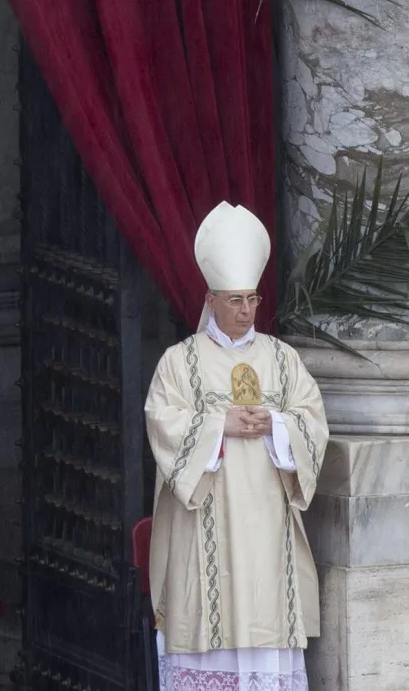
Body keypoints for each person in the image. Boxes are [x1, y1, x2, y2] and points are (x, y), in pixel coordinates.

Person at [145, 203, 328, 691]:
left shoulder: (282, 359)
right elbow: (161, 424)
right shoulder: (178, 363)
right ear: (211, 299)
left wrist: (279, 425)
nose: (246, 310)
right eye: (234, 300)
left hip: (268, 534)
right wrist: (217, 425)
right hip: (209, 525)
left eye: (252, 299)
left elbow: (314, 421)